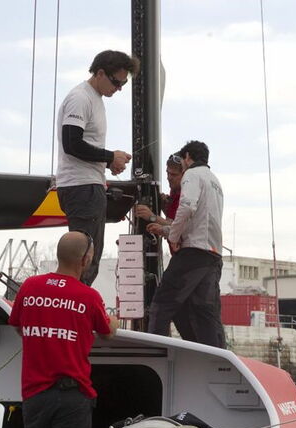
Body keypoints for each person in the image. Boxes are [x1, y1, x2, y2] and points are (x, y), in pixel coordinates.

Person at [9, 230, 119, 428]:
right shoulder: (87, 296)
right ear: (86, 259)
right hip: (72, 395)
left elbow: (19, 326)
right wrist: (115, 319)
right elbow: (107, 331)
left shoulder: (30, 287)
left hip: (34, 394)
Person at [56, 50, 139, 286]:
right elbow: (71, 142)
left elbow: (79, 144)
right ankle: (74, 314)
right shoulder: (81, 98)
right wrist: (109, 156)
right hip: (81, 186)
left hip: (85, 184)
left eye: (123, 83)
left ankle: (75, 311)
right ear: (100, 73)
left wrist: (108, 160)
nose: (119, 88)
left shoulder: (94, 99)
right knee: (84, 259)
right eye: (116, 81)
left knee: (88, 258)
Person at [146, 141, 226, 348]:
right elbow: (199, 220)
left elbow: (188, 207)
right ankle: (217, 359)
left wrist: (171, 236)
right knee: (205, 313)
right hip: (213, 254)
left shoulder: (192, 174)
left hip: (193, 253)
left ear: (187, 156)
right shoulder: (215, 182)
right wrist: (165, 229)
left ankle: (156, 355)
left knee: (161, 306)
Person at [133, 153, 198, 341]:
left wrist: (152, 216)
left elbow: (178, 224)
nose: (169, 178)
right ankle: (191, 344)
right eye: (167, 174)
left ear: (184, 175)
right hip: (184, 256)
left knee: (163, 304)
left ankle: (157, 343)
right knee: (182, 310)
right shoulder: (174, 196)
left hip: (186, 255)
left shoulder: (186, 196)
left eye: (173, 175)